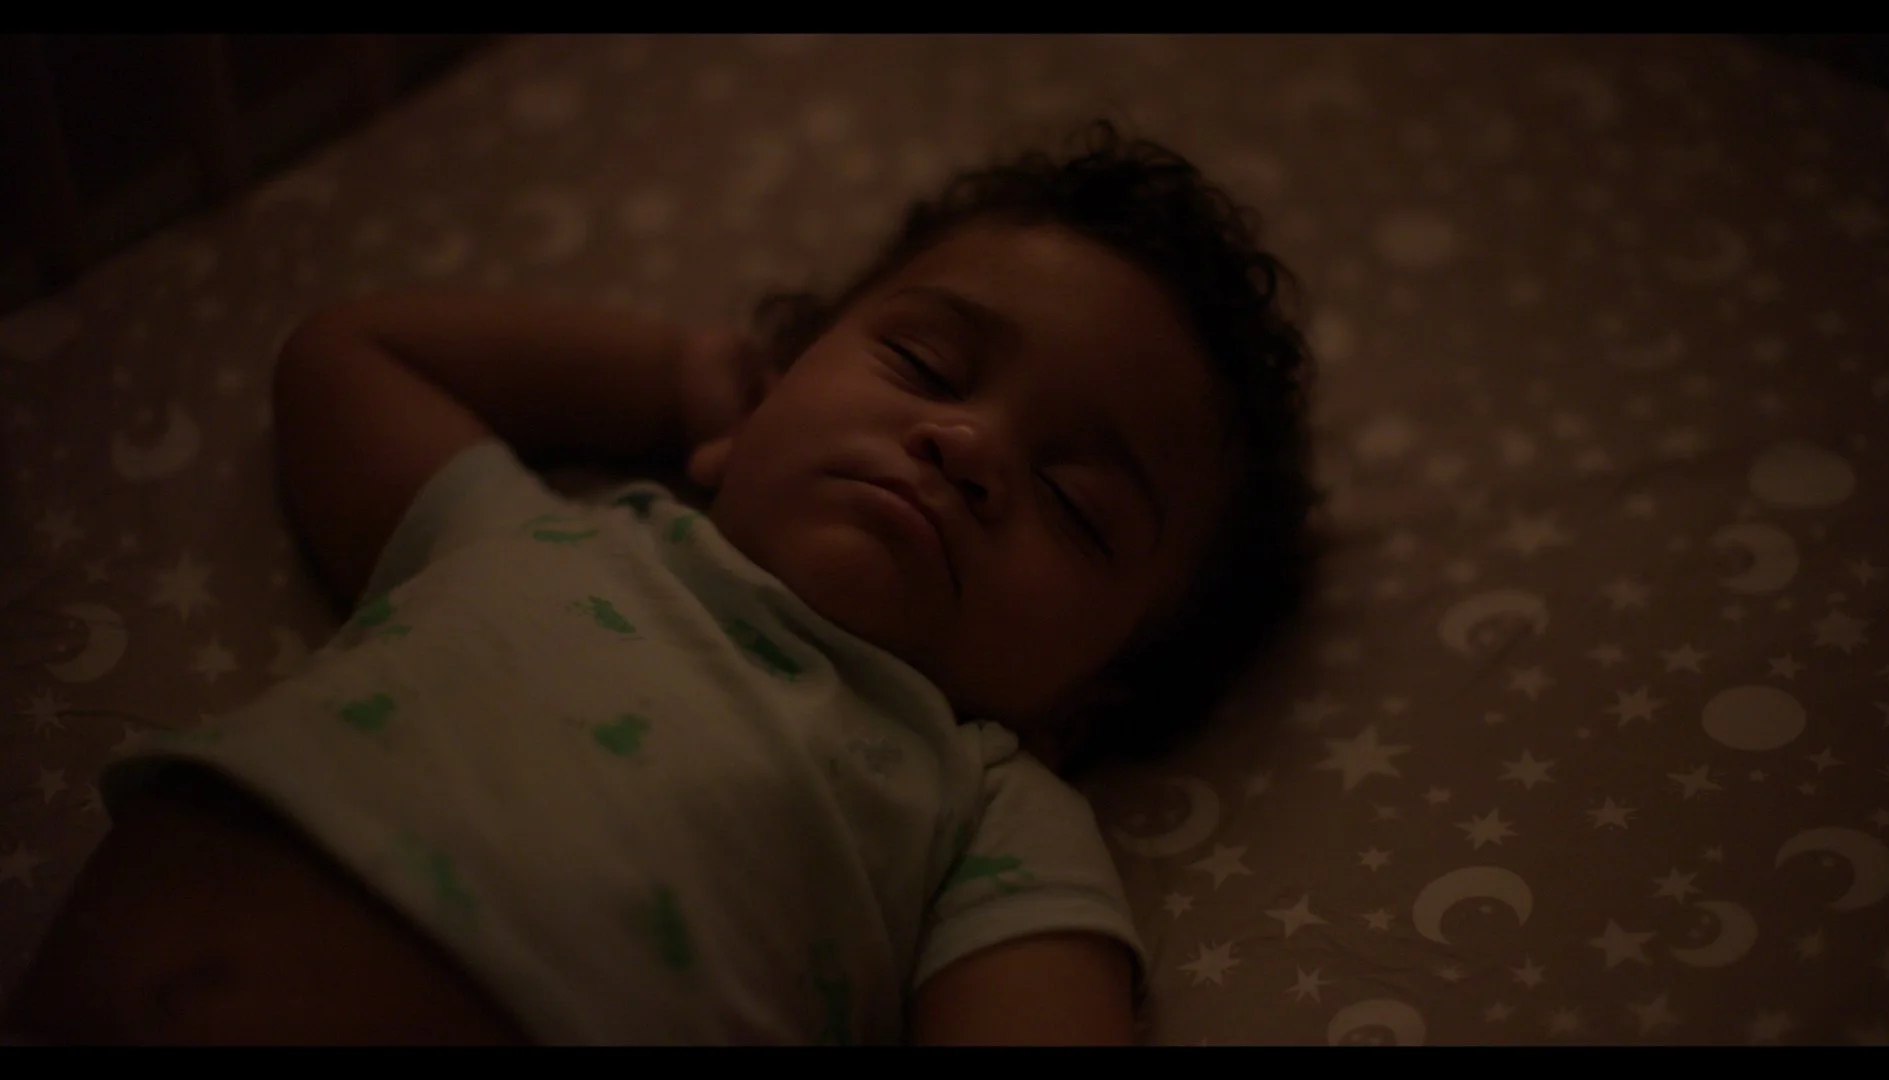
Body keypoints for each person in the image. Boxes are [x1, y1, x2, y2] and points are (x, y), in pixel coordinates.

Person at [4, 119, 1318, 1045]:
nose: (969, 447)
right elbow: (347, 356)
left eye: (1079, 508)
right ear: (767, 400)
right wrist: (674, 375)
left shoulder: (979, 804)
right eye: (923, 362)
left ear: (1088, 702)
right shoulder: (540, 533)